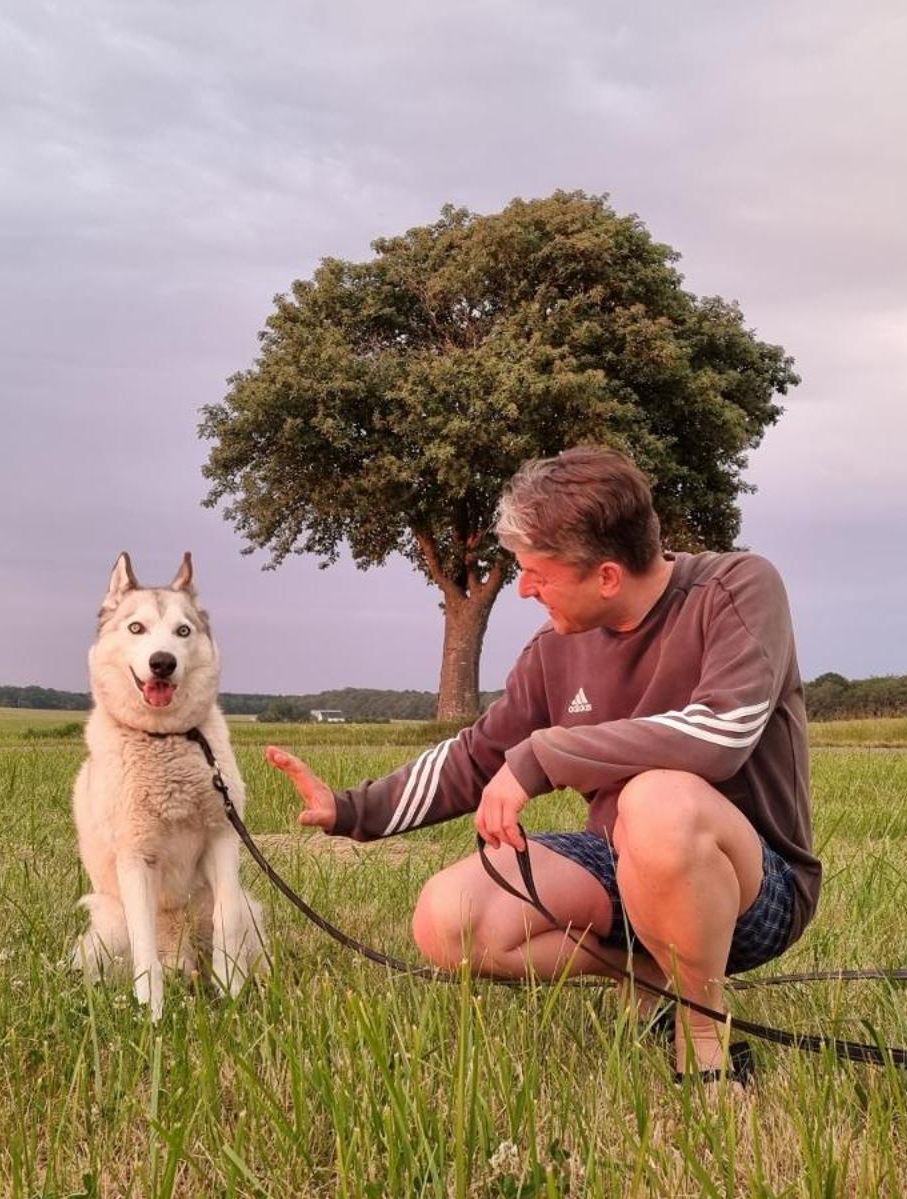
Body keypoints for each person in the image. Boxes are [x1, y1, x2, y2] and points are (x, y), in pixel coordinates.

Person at [265, 446, 820, 1083]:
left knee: (657, 798)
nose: (524, 588)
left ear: (607, 576)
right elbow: (480, 753)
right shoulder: (555, 648)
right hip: (621, 862)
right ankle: (656, 978)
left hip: (754, 884)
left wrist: (548, 754)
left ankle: (702, 1035)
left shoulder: (738, 588)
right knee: (449, 918)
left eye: (538, 573)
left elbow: (723, 730)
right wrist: (350, 808)